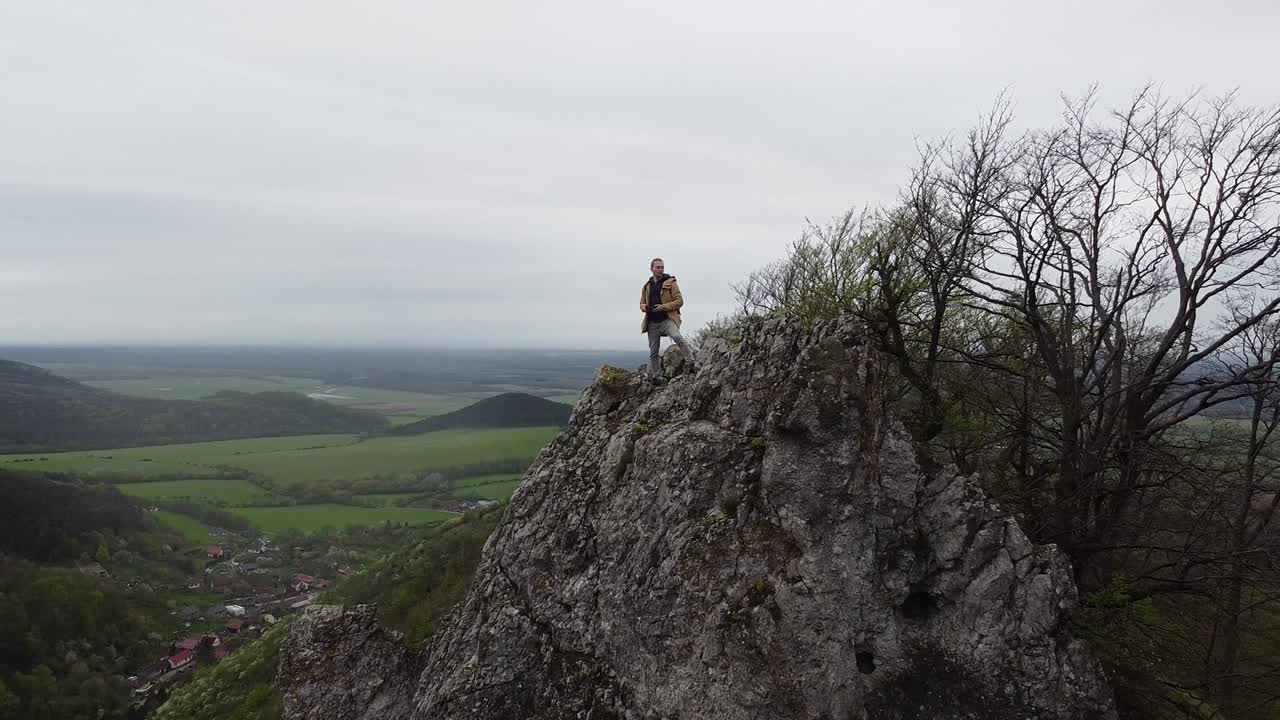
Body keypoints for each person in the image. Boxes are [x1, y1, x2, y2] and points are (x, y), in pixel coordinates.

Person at [640, 257, 695, 382]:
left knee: (677, 337)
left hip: (667, 319)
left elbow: (679, 301)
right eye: (658, 267)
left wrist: (663, 307)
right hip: (652, 323)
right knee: (653, 352)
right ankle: (657, 376)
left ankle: (691, 362)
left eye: (662, 267)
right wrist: (646, 308)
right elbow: (641, 303)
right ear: (651, 269)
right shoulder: (647, 286)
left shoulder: (671, 282)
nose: (660, 269)